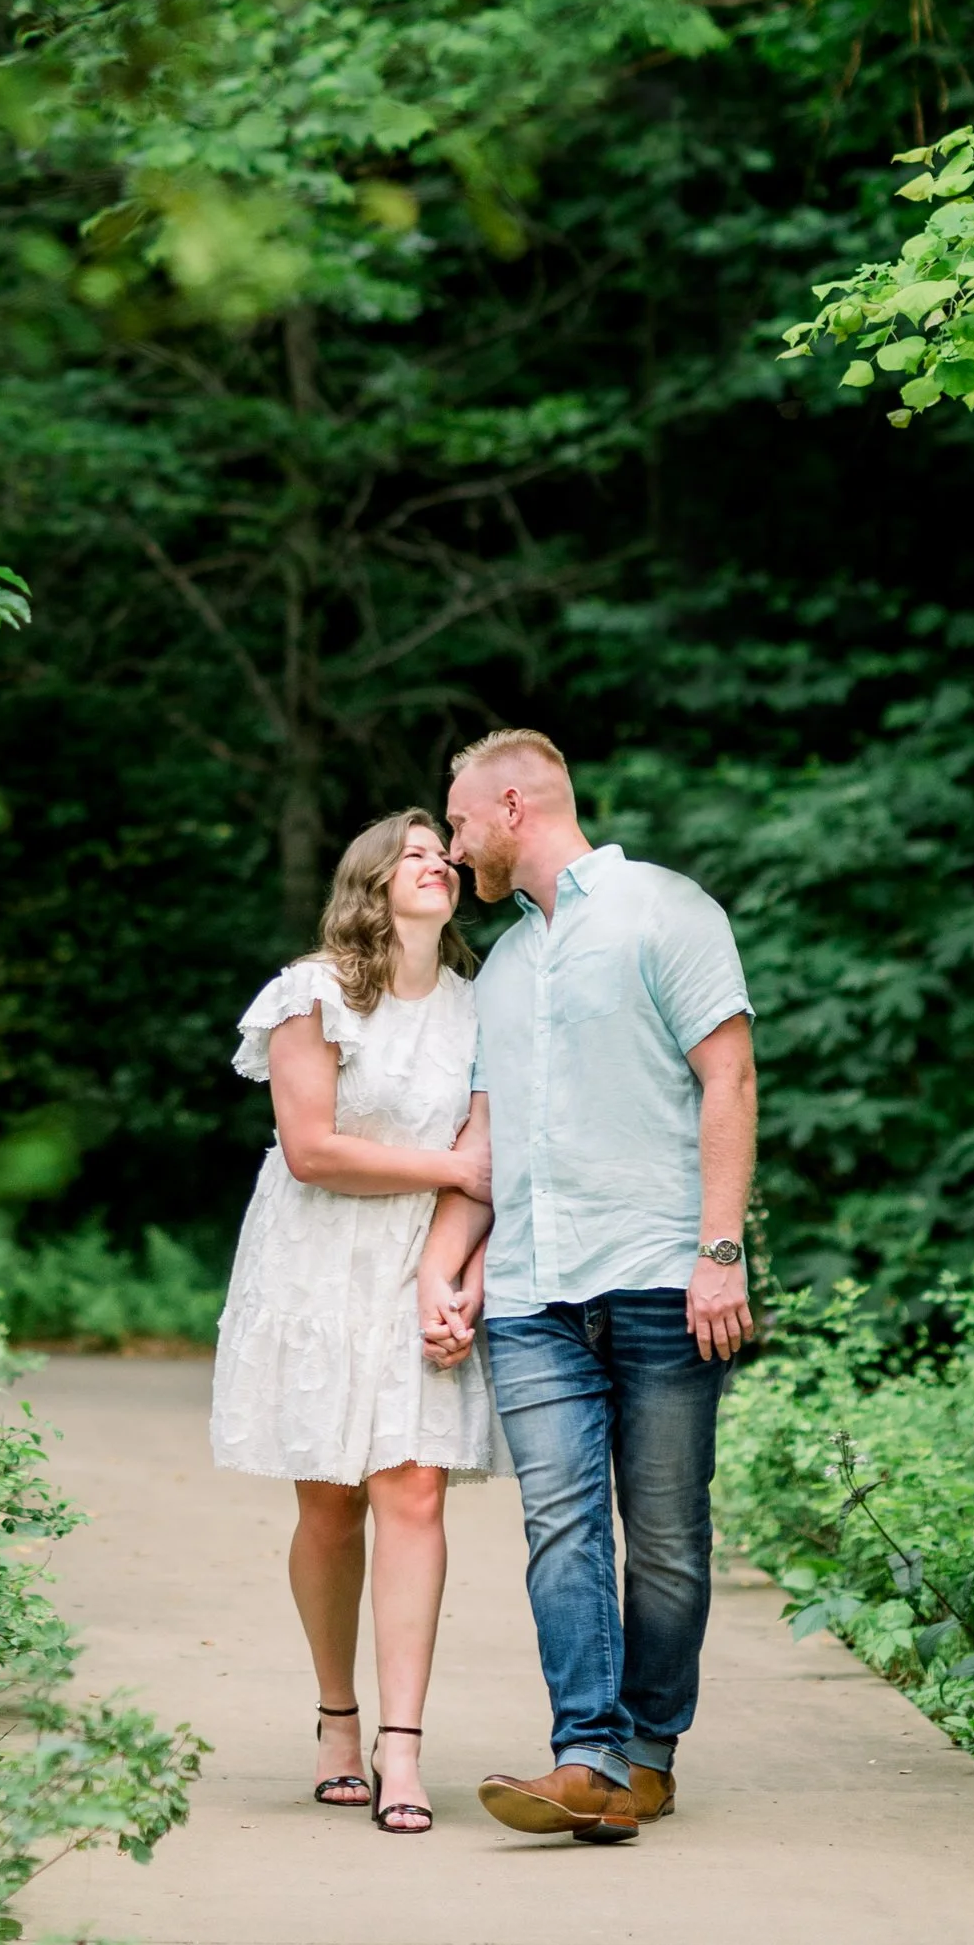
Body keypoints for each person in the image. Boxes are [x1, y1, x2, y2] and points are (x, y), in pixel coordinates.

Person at [420, 726, 755, 1845]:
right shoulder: (502, 967)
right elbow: (482, 1141)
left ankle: (647, 1753)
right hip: (527, 1292)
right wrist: (451, 1269)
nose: (456, 845)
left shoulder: (666, 910)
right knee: (561, 1525)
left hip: (661, 1272)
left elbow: (729, 1075)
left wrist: (719, 1250)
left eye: (461, 822)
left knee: (663, 1534)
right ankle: (584, 1755)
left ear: (513, 805)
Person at [209, 811, 497, 1834]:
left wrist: (455, 1275)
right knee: (331, 1499)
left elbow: (487, 1159)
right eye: (415, 854)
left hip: (422, 1261)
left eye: (442, 854)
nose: (438, 864)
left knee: (413, 1487)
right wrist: (448, 1168)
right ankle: (337, 1716)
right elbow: (310, 1147)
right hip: (318, 1261)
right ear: (371, 883)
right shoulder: (311, 993)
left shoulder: (479, 1006)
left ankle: (403, 1747)